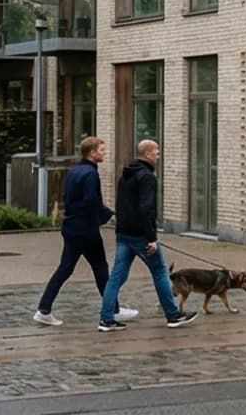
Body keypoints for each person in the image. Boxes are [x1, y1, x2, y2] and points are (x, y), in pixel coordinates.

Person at [97, 139, 195, 330]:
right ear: (148, 154)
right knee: (160, 273)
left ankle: (106, 319)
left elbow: (122, 205)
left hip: (123, 233)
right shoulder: (147, 177)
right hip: (141, 236)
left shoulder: (125, 175)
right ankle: (173, 315)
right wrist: (151, 238)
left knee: (116, 276)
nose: (159, 154)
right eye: (156, 151)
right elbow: (146, 208)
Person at [35, 137, 133, 326]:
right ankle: (113, 309)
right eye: (102, 150)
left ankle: (44, 309)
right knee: (100, 268)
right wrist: (107, 215)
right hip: (85, 230)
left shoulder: (75, 171)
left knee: (66, 269)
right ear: (92, 153)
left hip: (72, 227)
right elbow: (90, 201)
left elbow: (72, 198)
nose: (104, 152)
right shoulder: (90, 174)